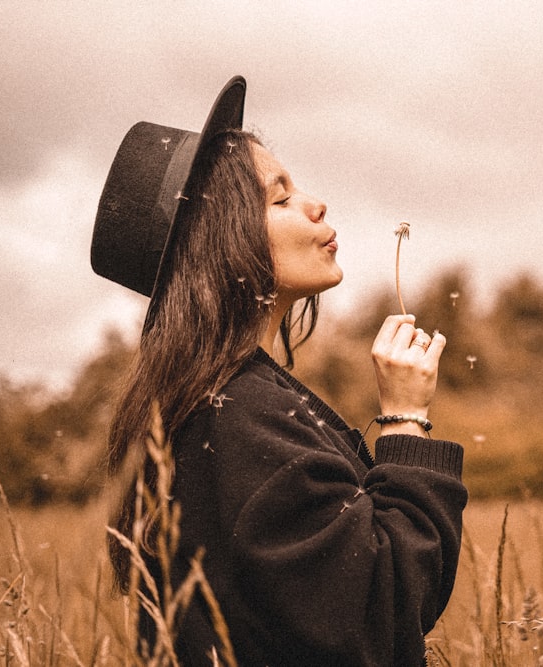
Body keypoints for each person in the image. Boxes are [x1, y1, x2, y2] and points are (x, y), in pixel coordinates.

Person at [91, 76, 467, 666]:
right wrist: (404, 423)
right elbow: (381, 614)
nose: (316, 205)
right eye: (280, 198)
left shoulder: (220, 406)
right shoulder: (239, 422)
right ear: (223, 240)